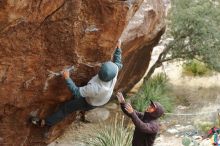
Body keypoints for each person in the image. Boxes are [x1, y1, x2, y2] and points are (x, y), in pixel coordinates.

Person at [31, 40, 123, 127]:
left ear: (99, 72)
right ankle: (83, 111)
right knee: (85, 94)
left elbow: (76, 92)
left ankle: (46, 123)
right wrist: (118, 48)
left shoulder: (95, 88)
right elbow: (118, 62)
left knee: (66, 108)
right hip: (102, 98)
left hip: (90, 102)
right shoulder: (113, 73)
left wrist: (67, 78)